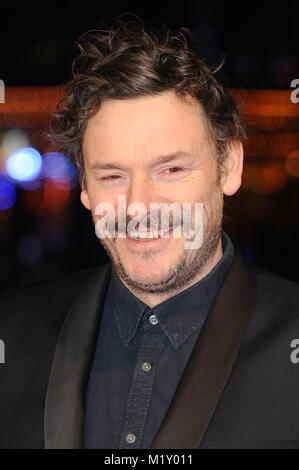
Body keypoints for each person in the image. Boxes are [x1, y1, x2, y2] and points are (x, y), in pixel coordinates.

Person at [0, 16, 299, 450]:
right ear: (84, 187)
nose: (138, 205)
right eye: (113, 176)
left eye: (171, 169)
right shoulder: (12, 332)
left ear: (229, 166)